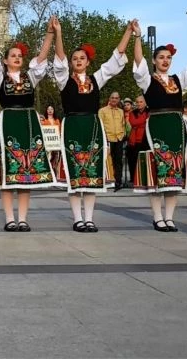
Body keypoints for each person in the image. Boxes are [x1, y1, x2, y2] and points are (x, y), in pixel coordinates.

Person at [131, 22, 187, 231]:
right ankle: (157, 216)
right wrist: (138, 38)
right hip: (157, 129)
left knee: (174, 176)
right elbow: (138, 61)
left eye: (168, 57)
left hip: (176, 131)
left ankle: (169, 217)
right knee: (156, 173)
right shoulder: (147, 81)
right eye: (161, 57)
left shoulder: (179, 79)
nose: (165, 61)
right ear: (154, 60)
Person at [53, 18, 133, 232]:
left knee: (91, 173)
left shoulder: (96, 79)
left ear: (88, 62)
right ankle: (77, 218)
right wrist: (58, 33)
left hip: (92, 127)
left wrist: (127, 32)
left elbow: (115, 61)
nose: (78, 61)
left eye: (82, 58)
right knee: (74, 174)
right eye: (75, 58)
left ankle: (89, 218)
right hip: (72, 127)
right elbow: (59, 61)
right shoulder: (64, 81)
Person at [0, 18, 57, 232]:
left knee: (26, 174)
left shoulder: (30, 77)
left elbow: (42, 57)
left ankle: (23, 218)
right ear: (5, 60)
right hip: (7, 127)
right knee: (9, 175)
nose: (17, 58)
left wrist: (50, 34)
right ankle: (9, 218)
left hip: (28, 126)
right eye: (13, 56)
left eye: (19, 55)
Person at [98, 91, 126, 190]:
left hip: (119, 138)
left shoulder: (121, 111)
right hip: (107, 139)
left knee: (118, 161)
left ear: (119, 100)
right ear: (109, 99)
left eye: (116, 98)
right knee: (106, 160)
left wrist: (123, 135)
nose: (114, 99)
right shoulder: (102, 111)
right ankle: (105, 180)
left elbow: (123, 124)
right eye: (112, 98)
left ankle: (118, 182)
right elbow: (100, 125)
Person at [126, 95, 149, 186]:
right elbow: (133, 123)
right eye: (137, 102)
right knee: (133, 160)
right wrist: (144, 121)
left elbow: (137, 123)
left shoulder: (149, 111)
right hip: (134, 140)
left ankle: (145, 179)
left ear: (145, 103)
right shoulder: (133, 112)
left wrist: (140, 123)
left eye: (141, 102)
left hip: (145, 139)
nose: (139, 104)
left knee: (145, 160)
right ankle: (134, 179)